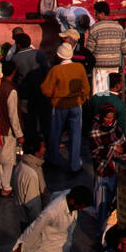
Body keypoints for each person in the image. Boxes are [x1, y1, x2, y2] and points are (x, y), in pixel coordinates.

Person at [43, 43, 90, 174]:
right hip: (76, 104)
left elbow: (45, 89)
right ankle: (75, 164)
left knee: (55, 133)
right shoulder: (79, 68)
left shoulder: (56, 70)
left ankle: (53, 159)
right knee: (76, 135)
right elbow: (86, 88)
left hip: (59, 105)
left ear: (59, 55)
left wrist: (54, 95)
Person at [89, 101, 126, 240]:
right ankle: (100, 233)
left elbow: (124, 147)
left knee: (112, 204)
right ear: (101, 117)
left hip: (115, 170)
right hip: (102, 171)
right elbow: (96, 152)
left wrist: (115, 150)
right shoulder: (95, 130)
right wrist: (113, 149)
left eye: (112, 118)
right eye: (107, 118)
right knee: (101, 205)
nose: (109, 121)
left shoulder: (116, 127)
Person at [0, 60, 23, 195]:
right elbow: (13, 115)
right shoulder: (11, 90)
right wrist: (19, 134)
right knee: (8, 160)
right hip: (7, 129)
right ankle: (6, 187)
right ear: (14, 72)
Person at [86, 4, 126, 96]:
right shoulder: (119, 27)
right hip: (114, 66)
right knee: (112, 92)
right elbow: (124, 47)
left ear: (102, 13)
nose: (95, 15)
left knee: (99, 93)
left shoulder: (95, 28)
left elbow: (89, 49)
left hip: (99, 67)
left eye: (96, 13)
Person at [13, 133, 48, 229]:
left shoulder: (21, 165)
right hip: (31, 224)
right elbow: (33, 206)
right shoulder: (31, 174)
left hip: (23, 218)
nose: (44, 149)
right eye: (43, 147)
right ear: (36, 152)